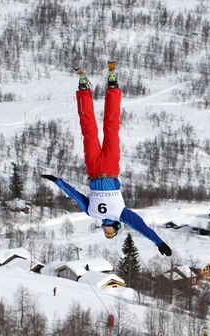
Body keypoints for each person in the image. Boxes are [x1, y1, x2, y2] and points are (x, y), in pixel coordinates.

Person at [42, 62, 172, 257]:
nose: (105, 231)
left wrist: (58, 181)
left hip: (94, 170)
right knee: (111, 126)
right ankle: (113, 85)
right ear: (116, 228)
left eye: (105, 233)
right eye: (109, 233)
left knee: (88, 129)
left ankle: (83, 86)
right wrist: (159, 242)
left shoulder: (92, 213)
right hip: (110, 168)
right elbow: (141, 226)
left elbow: (75, 195)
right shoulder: (120, 214)